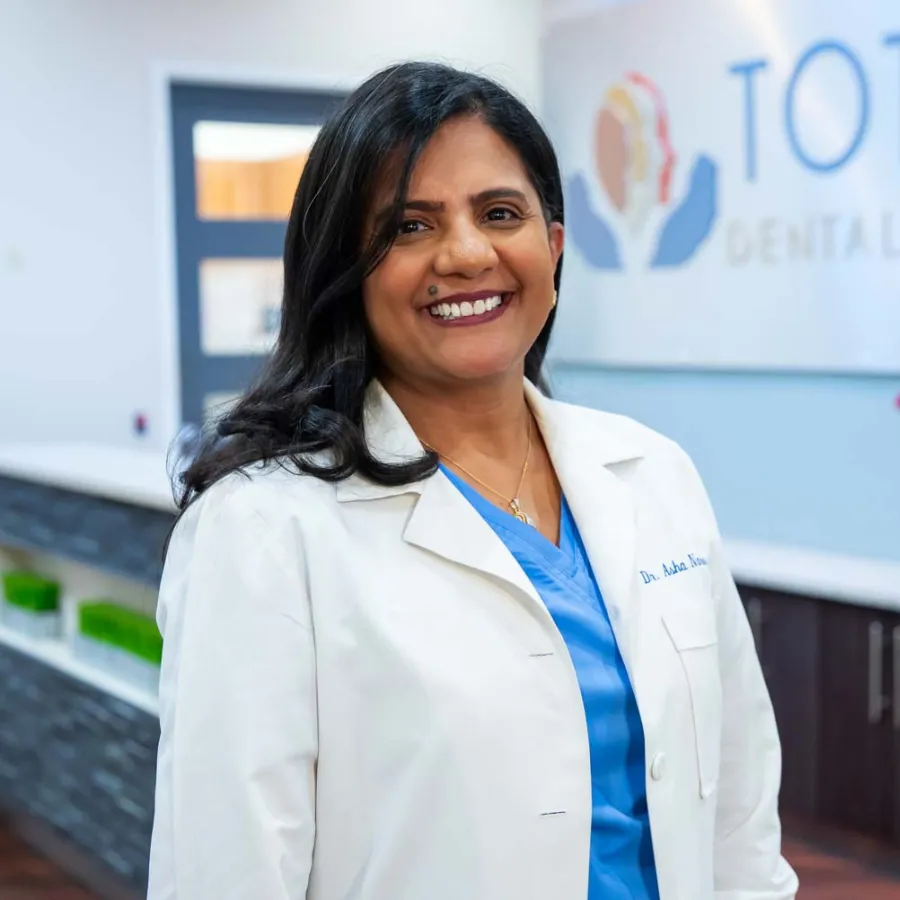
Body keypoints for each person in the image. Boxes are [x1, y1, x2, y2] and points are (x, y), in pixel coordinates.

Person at [147, 62, 798, 900]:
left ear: (553, 247)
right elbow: (223, 873)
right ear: (346, 272)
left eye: (499, 214)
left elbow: (740, 819)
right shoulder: (265, 531)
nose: (464, 253)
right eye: (409, 227)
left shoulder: (653, 475)